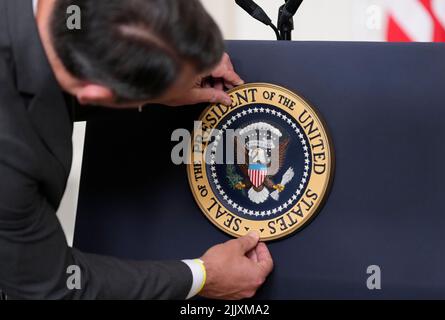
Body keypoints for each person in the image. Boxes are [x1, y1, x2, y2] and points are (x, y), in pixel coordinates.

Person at [0, 0, 273, 300]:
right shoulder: (11, 158)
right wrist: (203, 276)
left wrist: (181, 58)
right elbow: (54, 284)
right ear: (97, 93)